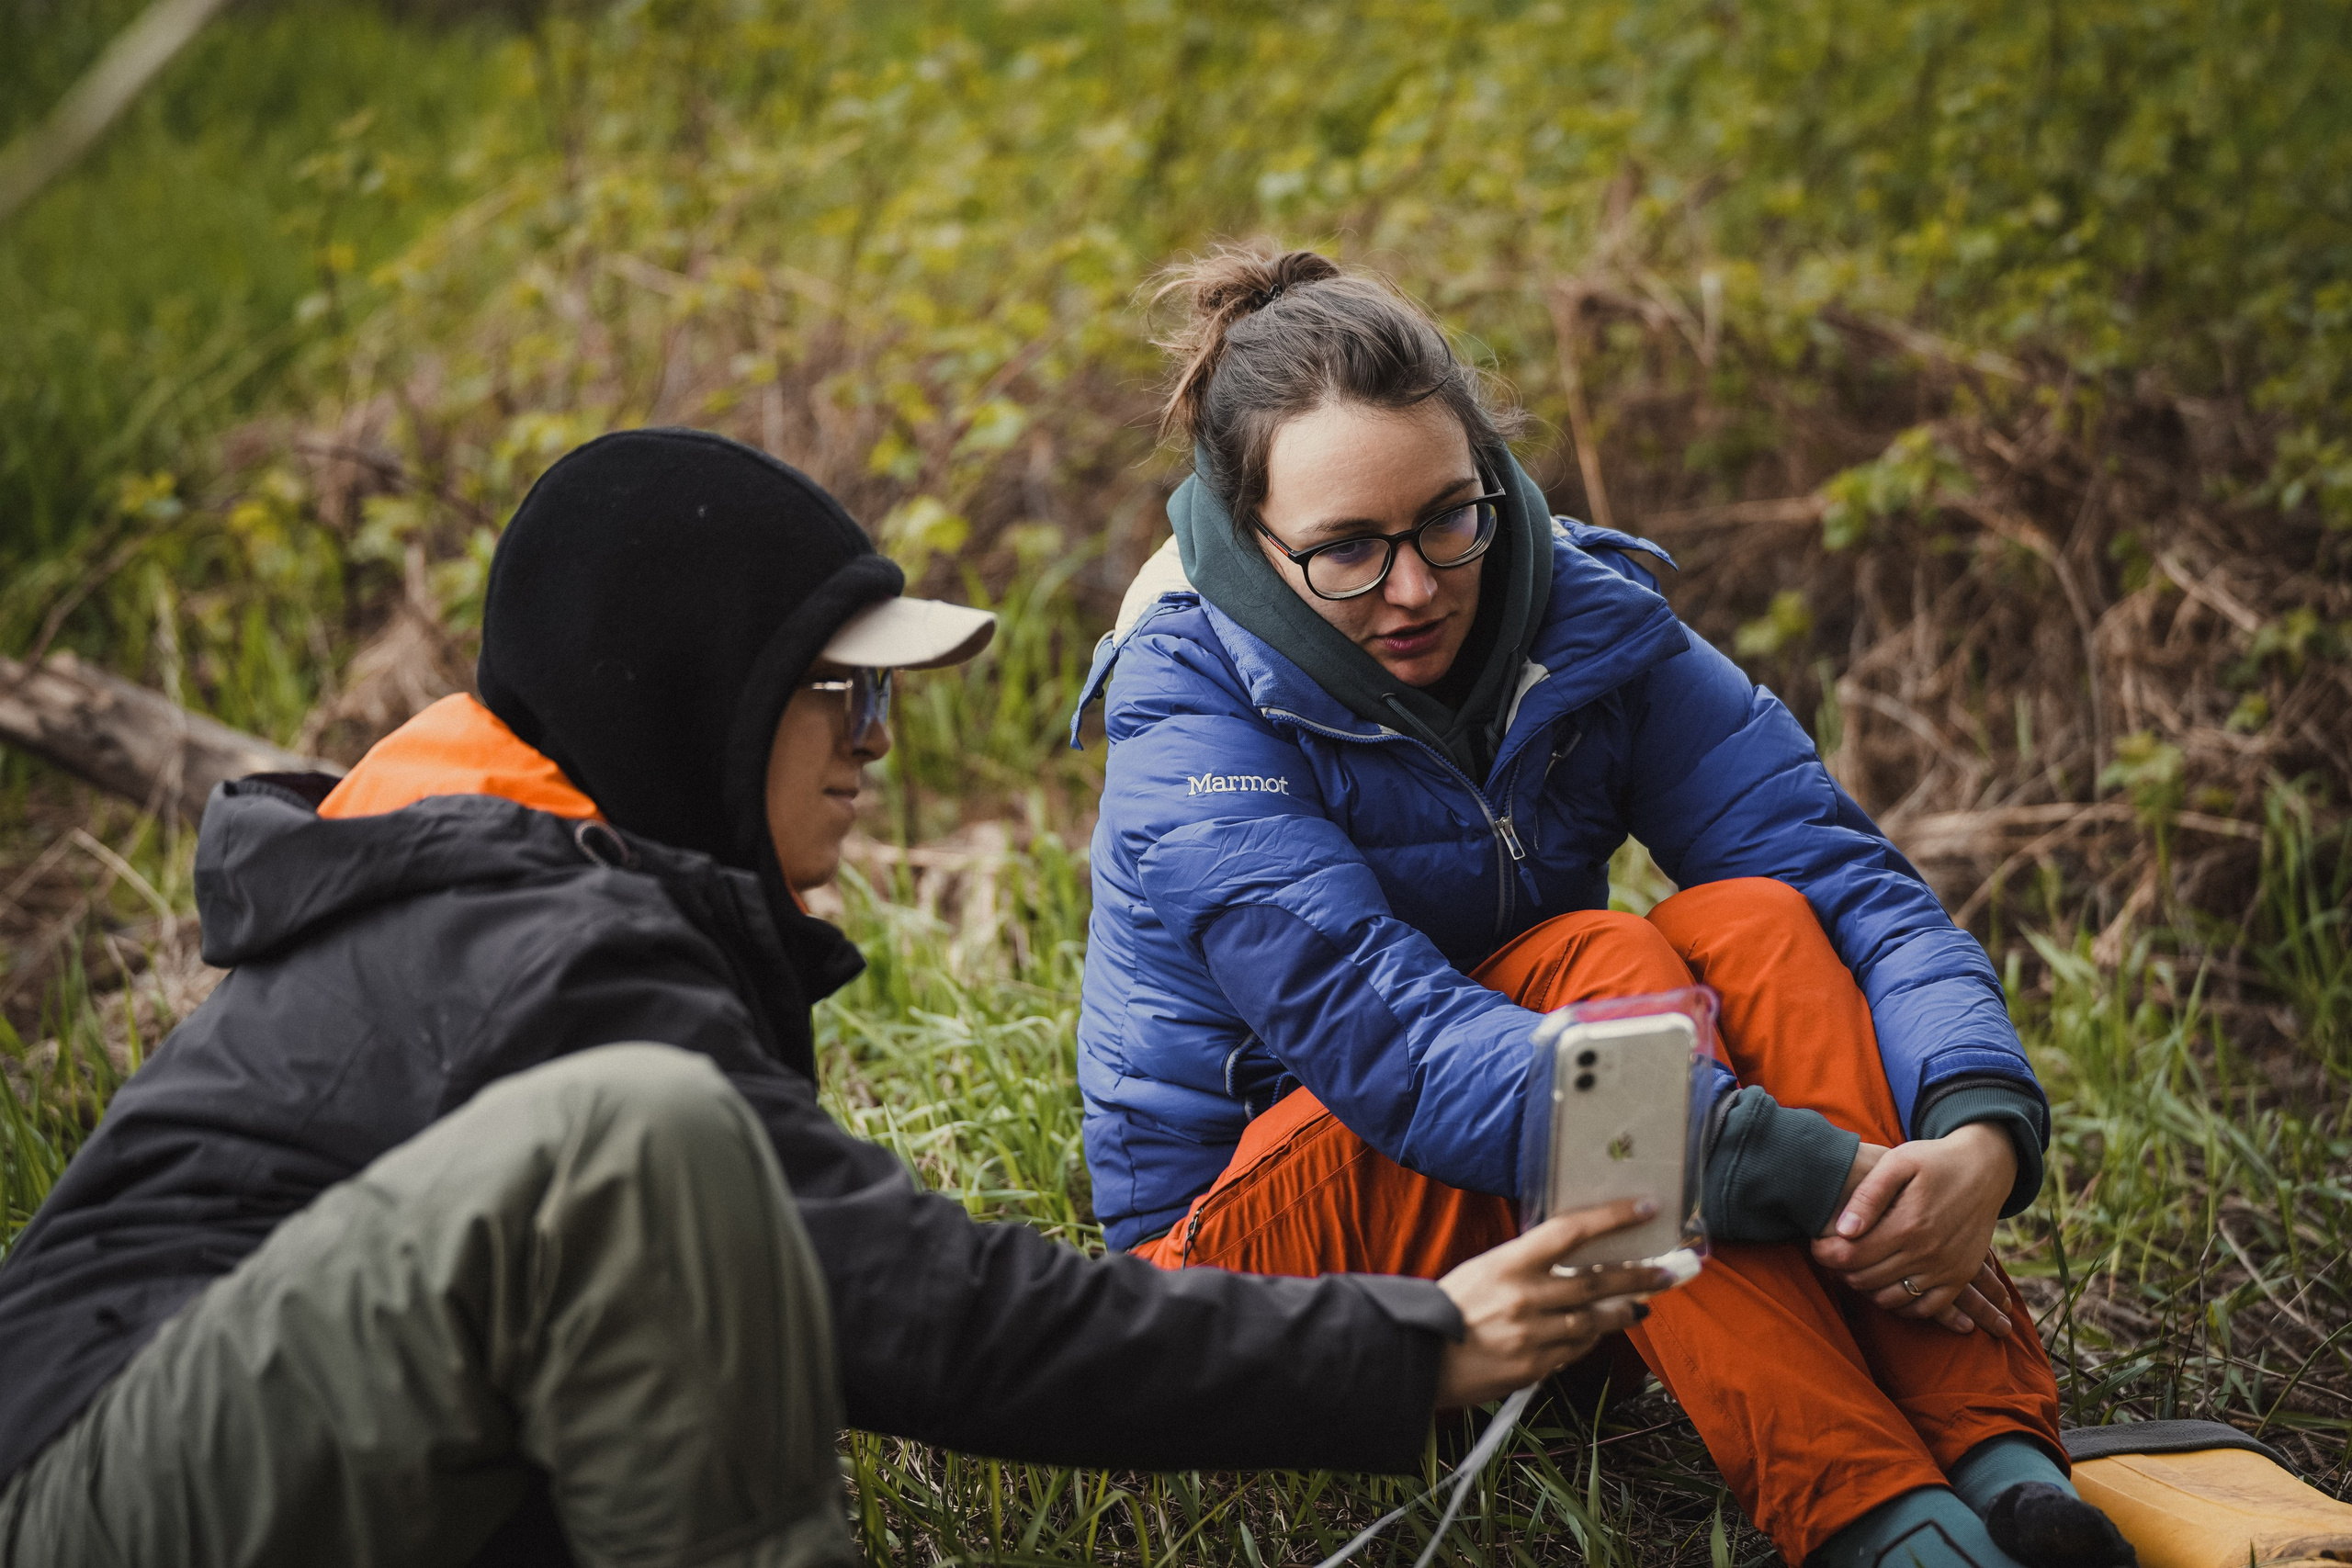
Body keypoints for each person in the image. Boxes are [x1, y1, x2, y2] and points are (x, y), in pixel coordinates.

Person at [0, 428, 1671, 1568]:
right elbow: (918, 1312)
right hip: (85, 1503)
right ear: (687, 711)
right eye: (840, 701)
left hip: (196, 1471)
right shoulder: (530, 937)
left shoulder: (531, 888)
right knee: (646, 1142)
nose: (877, 758)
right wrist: (1414, 1340)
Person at [1070, 251, 2138, 1568]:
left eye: (1448, 521)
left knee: (1754, 922)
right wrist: (1782, 1163)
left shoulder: (1579, 612)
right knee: (1605, 967)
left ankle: (2000, 1458)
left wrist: (1976, 1123)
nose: (1414, 588)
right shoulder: (1187, 696)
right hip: (1252, 1281)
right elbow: (1384, 1036)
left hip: (1546, 1217)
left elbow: (1844, 879)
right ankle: (1882, 1523)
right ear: (1252, 534)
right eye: (1347, 550)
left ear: (1491, 481)